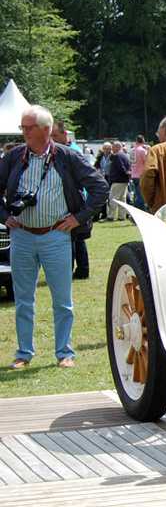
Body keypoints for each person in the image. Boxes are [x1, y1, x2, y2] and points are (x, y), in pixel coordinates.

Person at [0, 105, 108, 370]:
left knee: (62, 300)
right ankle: (24, 353)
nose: (24, 132)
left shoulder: (67, 157)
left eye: (29, 127)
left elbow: (100, 188)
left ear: (46, 130)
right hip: (22, 236)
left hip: (55, 236)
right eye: (22, 127)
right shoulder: (14, 157)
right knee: (23, 299)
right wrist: (4, 215)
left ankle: (64, 353)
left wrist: (77, 218)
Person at [51, 122, 91, 278]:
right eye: (51, 136)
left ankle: (79, 270)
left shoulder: (72, 152)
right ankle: (80, 270)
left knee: (75, 236)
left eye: (55, 136)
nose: (53, 139)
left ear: (64, 134)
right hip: (73, 198)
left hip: (76, 200)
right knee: (75, 237)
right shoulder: (64, 150)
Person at [105, 141, 131, 220]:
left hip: (117, 180)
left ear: (117, 147)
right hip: (124, 180)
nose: (112, 149)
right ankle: (121, 216)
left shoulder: (118, 156)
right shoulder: (125, 155)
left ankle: (111, 216)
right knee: (122, 199)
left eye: (113, 147)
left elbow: (120, 167)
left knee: (113, 198)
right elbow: (128, 166)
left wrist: (125, 173)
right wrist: (127, 174)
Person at [130, 135, 148, 210]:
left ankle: (139, 210)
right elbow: (146, 162)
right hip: (141, 175)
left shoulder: (132, 150)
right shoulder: (143, 151)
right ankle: (137, 210)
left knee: (137, 194)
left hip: (134, 174)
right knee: (141, 195)